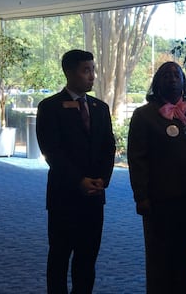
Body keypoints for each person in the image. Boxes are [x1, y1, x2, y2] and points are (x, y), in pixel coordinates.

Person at [36, 49, 117, 294]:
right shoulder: (50, 107)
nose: (92, 76)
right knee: (60, 257)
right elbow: (52, 152)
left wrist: (103, 179)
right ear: (69, 72)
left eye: (93, 69)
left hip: (94, 197)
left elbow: (108, 147)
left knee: (87, 258)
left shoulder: (100, 107)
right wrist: (78, 181)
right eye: (86, 70)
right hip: (64, 196)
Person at [127, 61, 186, 293]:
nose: (172, 77)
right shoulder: (144, 115)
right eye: (166, 75)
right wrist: (140, 196)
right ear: (156, 83)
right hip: (159, 199)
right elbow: (137, 157)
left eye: (177, 74)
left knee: (185, 255)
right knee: (160, 258)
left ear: (183, 81)